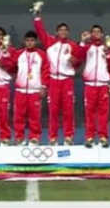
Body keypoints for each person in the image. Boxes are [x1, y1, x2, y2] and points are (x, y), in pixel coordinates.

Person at [33, 11, 81, 146]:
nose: (63, 32)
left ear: (68, 32)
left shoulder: (73, 45)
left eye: (65, 30)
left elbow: (78, 63)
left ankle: (68, 137)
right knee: (53, 111)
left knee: (68, 111)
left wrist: (74, 60)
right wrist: (37, 17)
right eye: (61, 30)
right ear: (57, 32)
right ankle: (52, 137)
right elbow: (40, 30)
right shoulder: (50, 42)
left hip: (67, 81)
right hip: (54, 80)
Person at [0, 31, 49, 145]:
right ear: (24, 42)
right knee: (18, 116)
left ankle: (34, 137)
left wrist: (44, 86)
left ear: (36, 42)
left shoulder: (42, 54)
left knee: (35, 117)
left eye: (32, 40)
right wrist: (5, 53)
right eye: (27, 41)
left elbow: (46, 71)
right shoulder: (18, 53)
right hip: (20, 90)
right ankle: (19, 138)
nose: (29, 43)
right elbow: (10, 66)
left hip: (35, 90)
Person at [77, 25, 110, 148]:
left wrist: (109, 52)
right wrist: (82, 42)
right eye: (94, 32)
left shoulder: (106, 47)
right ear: (91, 34)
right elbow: (79, 56)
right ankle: (89, 137)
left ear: (102, 34)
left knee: (104, 112)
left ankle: (103, 136)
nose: (96, 33)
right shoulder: (87, 47)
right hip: (90, 84)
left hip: (103, 84)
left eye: (98, 31)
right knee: (89, 112)